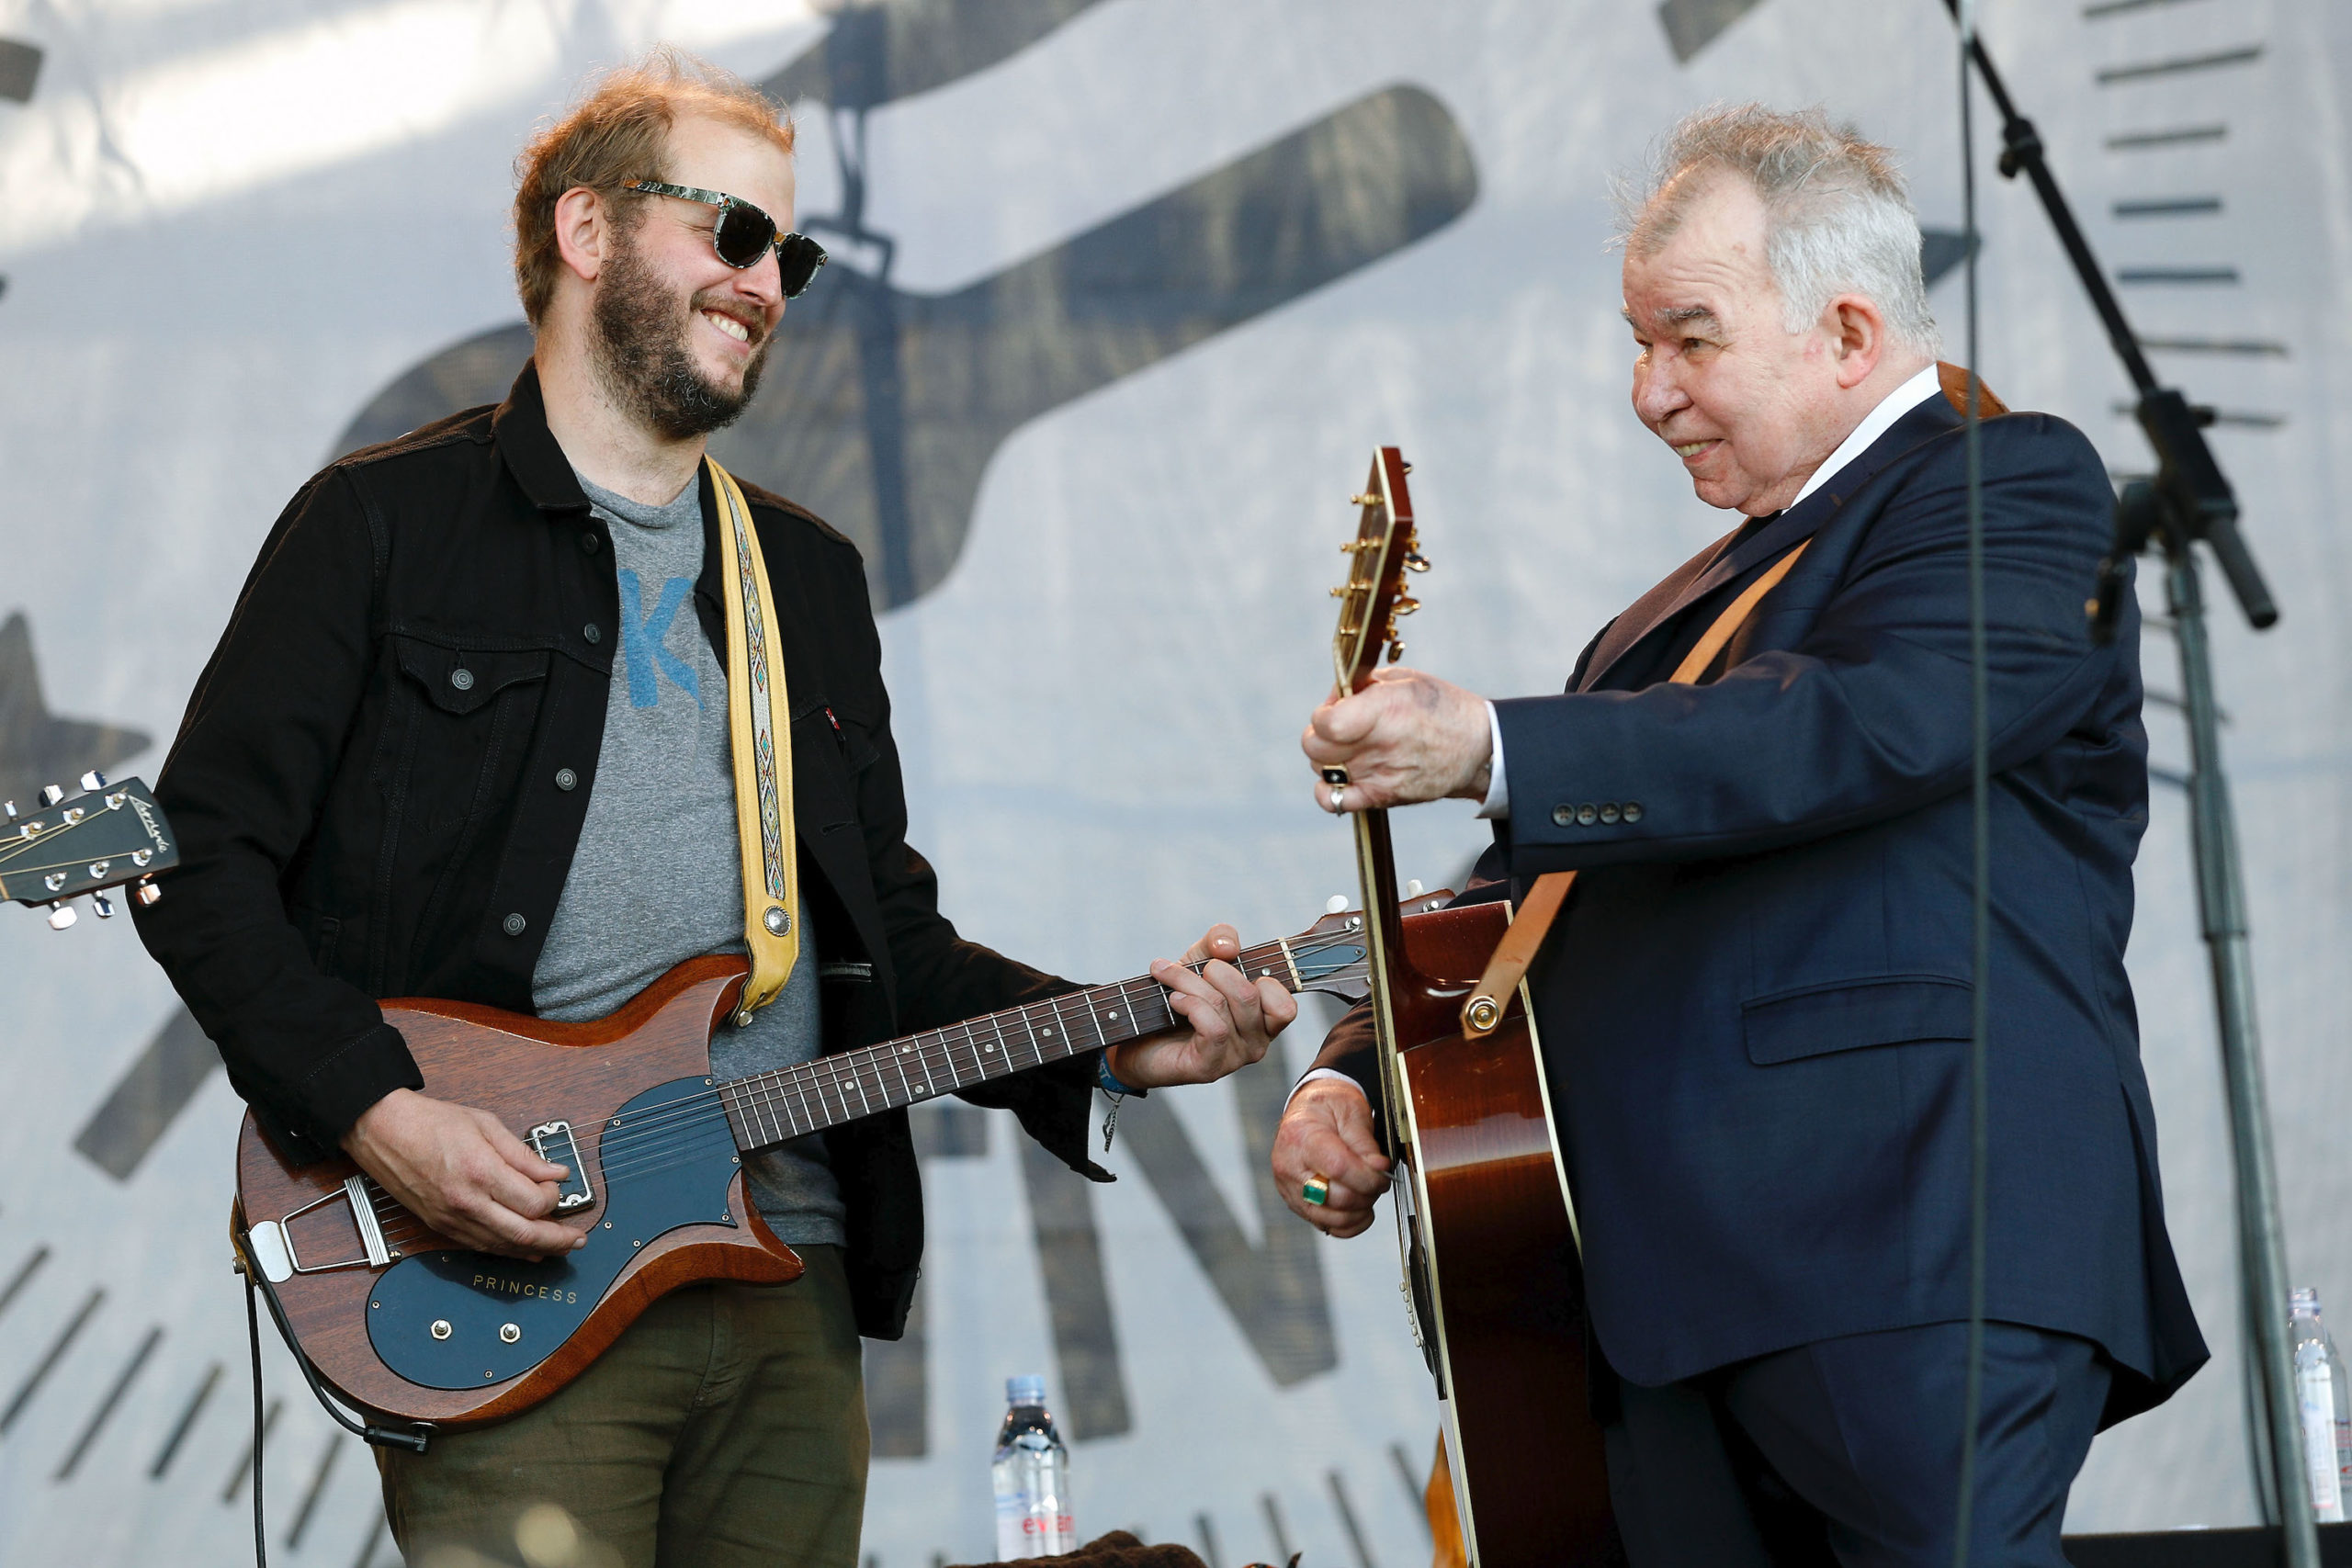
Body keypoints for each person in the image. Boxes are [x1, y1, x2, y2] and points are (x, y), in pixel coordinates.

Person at [133, 52, 1295, 1568]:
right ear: (587, 230)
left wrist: (1111, 1034)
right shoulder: (380, 527)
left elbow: (893, 946)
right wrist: (378, 1111)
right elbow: (191, 860)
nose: (769, 282)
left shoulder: (806, 577)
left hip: (786, 1271)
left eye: (792, 255)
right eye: (732, 233)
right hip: (507, 1284)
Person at [1273, 104, 2206, 1566]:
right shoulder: (1688, 604)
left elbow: (1849, 727)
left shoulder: (2009, 483)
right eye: (1637, 342)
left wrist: (1497, 744)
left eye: (1689, 338)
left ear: (1845, 330)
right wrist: (1356, 1073)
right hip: (1673, 1294)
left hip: (1902, 1238)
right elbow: (1531, 900)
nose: (1649, 392)